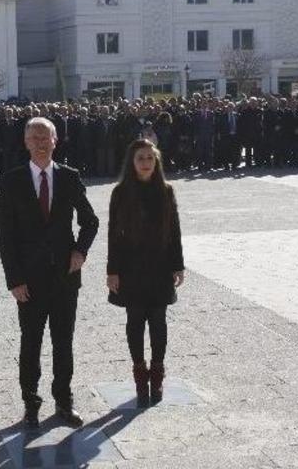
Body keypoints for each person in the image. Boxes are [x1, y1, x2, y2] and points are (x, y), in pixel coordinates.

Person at [0, 117, 99, 429]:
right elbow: (5, 235)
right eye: (34, 137)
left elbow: (90, 220)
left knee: (63, 342)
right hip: (29, 280)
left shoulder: (69, 177)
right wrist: (14, 279)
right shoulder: (12, 181)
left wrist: (80, 251)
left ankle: (64, 401)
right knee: (31, 343)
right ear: (26, 143)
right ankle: (30, 404)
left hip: (64, 278)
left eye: (46, 137)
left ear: (56, 141)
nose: (40, 143)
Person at [106, 139, 184, 408]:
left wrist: (178, 264)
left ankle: (157, 373)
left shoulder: (166, 191)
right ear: (132, 162)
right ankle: (140, 374)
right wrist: (112, 271)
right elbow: (113, 235)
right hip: (131, 268)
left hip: (160, 267)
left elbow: (174, 231)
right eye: (141, 158)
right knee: (135, 321)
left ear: (157, 161)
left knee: (159, 321)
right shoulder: (120, 193)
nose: (146, 162)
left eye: (150, 158)